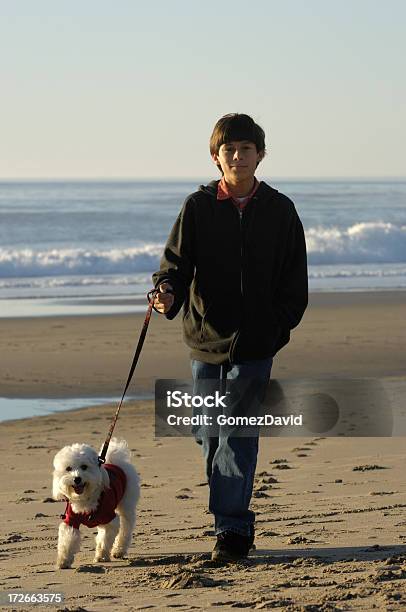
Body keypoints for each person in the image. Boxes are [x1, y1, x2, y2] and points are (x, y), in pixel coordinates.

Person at [152, 113, 308, 562]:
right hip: (205, 337)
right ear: (216, 157)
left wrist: (278, 325)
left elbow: (295, 279)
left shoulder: (281, 210)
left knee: (236, 432)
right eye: (229, 150)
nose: (237, 157)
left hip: (257, 343)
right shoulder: (198, 206)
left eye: (246, 149)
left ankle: (232, 530)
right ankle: (231, 517)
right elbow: (174, 267)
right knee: (208, 431)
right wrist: (167, 293)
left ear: (260, 155)